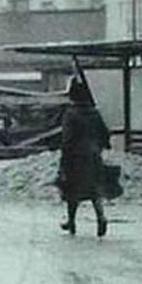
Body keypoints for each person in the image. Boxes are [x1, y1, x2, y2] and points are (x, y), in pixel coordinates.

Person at [56, 76, 111, 237]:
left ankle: (71, 221)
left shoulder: (70, 114)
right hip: (93, 156)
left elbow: (67, 139)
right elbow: (105, 133)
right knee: (94, 190)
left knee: (71, 190)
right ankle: (101, 217)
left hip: (75, 158)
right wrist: (98, 147)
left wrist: (64, 159)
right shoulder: (95, 113)